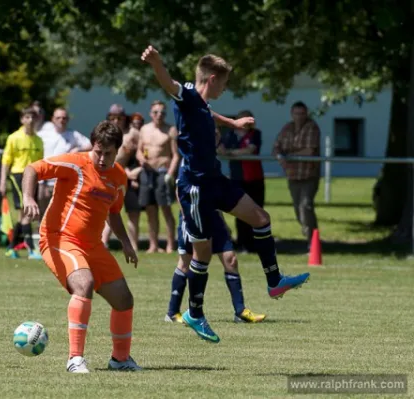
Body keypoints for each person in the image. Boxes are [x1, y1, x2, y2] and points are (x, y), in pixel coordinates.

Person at [142, 45, 310, 343]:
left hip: (215, 180)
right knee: (202, 254)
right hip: (194, 187)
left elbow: (206, 110)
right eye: (224, 82)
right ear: (211, 79)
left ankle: (274, 281)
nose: (226, 87)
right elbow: (168, 83)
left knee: (260, 218)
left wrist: (232, 123)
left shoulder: (200, 102)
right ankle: (194, 313)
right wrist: (157, 62)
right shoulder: (188, 93)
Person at [21, 121, 142, 373]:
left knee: (124, 299)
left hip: (92, 246)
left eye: (108, 153)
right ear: (93, 146)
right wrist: (28, 197)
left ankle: (120, 360)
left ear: (117, 151)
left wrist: (127, 244)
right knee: (83, 284)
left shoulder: (119, 177)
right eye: (98, 151)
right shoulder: (75, 163)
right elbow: (33, 169)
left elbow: (115, 213)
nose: (101, 158)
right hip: (58, 238)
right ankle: (75, 359)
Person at [166, 210, 266, 323]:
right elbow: (179, 192)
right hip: (192, 215)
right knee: (185, 263)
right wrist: (186, 215)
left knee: (231, 260)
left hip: (215, 216)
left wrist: (222, 221)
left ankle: (240, 311)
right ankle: (173, 312)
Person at [272, 101, 321, 250]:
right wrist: (281, 156)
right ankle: (308, 230)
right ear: (292, 114)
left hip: (308, 175)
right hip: (293, 175)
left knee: (306, 206)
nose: (299, 116)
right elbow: (276, 147)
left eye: (302, 113)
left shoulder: (312, 127)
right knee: (298, 210)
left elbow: (309, 151)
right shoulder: (287, 128)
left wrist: (289, 154)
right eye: (296, 113)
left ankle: (312, 243)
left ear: (306, 114)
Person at [0, 107, 43, 259]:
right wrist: (3, 180)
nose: (30, 120)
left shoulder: (38, 140)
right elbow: (6, 161)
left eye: (33, 117)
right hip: (18, 175)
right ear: (22, 119)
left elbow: (40, 163)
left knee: (23, 215)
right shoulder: (14, 137)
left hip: (34, 177)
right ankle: (31, 249)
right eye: (27, 117)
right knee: (26, 211)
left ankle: (12, 247)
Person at [136, 100, 179, 253]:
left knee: (166, 209)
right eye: (156, 112)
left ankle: (170, 245)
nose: (159, 115)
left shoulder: (171, 130)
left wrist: (170, 174)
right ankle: (153, 245)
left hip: (162, 172)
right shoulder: (144, 129)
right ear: (150, 114)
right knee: (150, 210)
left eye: (162, 112)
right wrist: (141, 158)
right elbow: (139, 150)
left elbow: (175, 155)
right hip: (147, 173)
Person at [219, 110, 265, 253]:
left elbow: (250, 150)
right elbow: (221, 149)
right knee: (240, 212)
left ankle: (255, 243)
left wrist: (232, 152)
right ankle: (241, 242)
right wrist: (230, 151)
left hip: (255, 179)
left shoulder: (255, 134)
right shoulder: (230, 134)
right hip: (237, 179)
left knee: (256, 211)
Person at [37, 107, 91, 219]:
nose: (61, 120)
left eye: (64, 118)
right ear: (52, 119)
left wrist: (78, 150)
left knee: (61, 211)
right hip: (44, 179)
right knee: (43, 210)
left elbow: (91, 145)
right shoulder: (43, 134)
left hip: (63, 180)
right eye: (58, 118)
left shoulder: (73, 134)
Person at [101, 104, 141, 250]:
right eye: (113, 118)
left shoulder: (133, 133)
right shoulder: (105, 134)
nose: (116, 121)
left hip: (128, 177)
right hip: (109, 176)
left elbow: (142, 155)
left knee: (133, 212)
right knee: (108, 211)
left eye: (120, 118)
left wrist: (135, 171)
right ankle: (104, 242)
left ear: (125, 118)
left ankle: (133, 244)